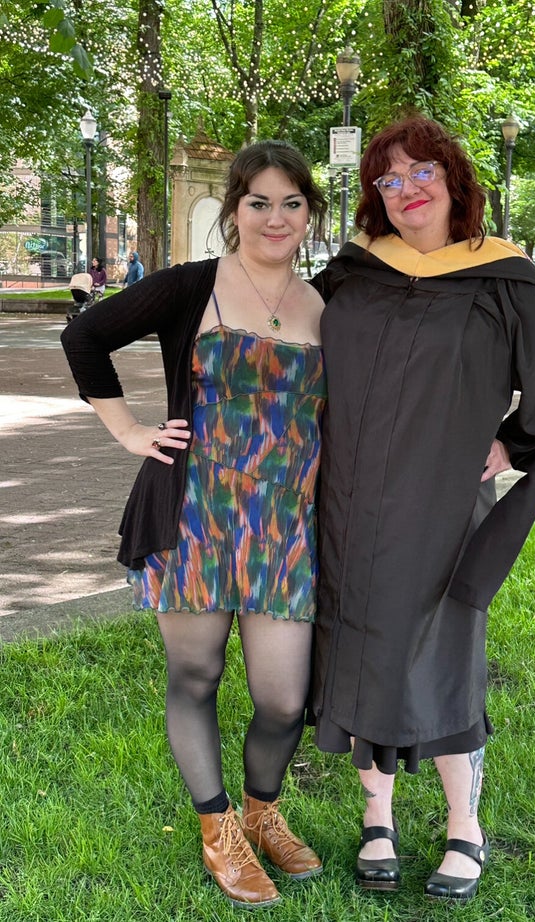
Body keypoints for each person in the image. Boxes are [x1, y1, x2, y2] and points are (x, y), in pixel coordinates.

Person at [310, 116, 535, 902]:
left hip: (442, 501)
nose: (405, 190)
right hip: (346, 500)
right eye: (387, 178)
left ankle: (462, 824)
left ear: (453, 179)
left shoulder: (502, 275)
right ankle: (378, 816)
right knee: (361, 646)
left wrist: (512, 444)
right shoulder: (353, 272)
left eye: (420, 172)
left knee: (441, 654)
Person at [62, 140, 328, 909]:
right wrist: (128, 431)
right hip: (196, 517)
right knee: (197, 675)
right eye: (258, 202)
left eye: (292, 202)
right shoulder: (192, 287)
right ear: (233, 211)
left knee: (284, 698)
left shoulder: (327, 302)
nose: (275, 217)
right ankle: (219, 832)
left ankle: (262, 811)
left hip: (285, 524)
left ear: (309, 212)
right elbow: (84, 336)